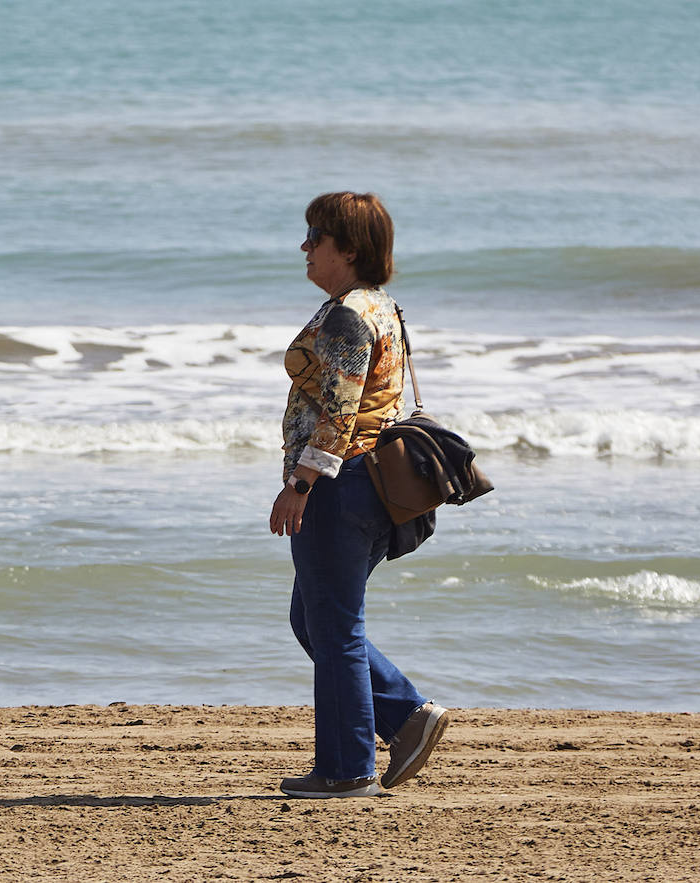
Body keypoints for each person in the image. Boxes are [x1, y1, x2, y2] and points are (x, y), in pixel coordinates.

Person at [268, 192, 447, 797]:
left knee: (333, 626)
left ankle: (347, 769)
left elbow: (340, 411)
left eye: (315, 236)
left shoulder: (347, 314)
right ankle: (403, 716)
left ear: (348, 248)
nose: (305, 247)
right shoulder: (384, 307)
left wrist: (300, 484)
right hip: (371, 485)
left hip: (340, 486)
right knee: (314, 619)